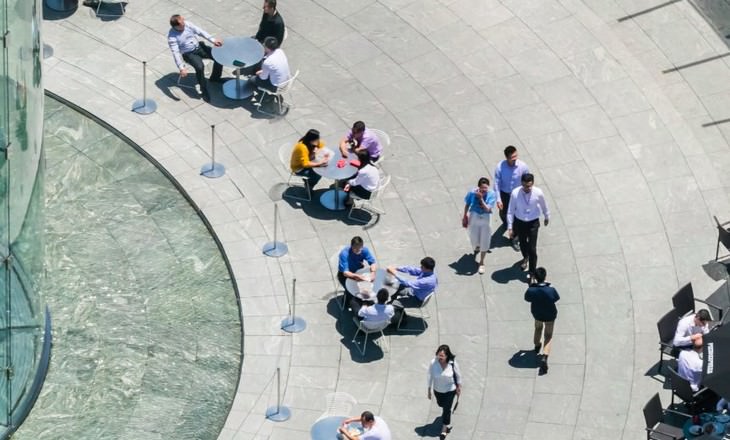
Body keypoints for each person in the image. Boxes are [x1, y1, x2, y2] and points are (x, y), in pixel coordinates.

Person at [167, 14, 224, 103]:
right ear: (176, 26)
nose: (184, 23)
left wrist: (213, 40)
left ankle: (215, 78)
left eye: (183, 21)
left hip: (199, 47)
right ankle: (203, 89)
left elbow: (200, 31)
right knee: (199, 67)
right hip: (189, 53)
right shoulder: (172, 37)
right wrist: (181, 68)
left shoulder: (187, 24)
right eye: (182, 23)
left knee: (219, 57)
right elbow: (176, 53)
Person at [506, 173, 549, 283]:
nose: (527, 188)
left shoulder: (538, 192)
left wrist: (546, 216)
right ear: (521, 183)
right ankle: (525, 257)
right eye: (525, 186)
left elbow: (544, 205)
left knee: (532, 248)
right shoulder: (515, 193)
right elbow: (510, 210)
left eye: (529, 186)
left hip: (533, 222)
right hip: (520, 222)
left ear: (533, 183)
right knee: (523, 244)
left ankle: (532, 272)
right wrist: (510, 227)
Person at [524, 267, 560, 375]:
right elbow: (556, 298)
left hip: (537, 314)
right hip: (550, 315)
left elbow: (527, 298)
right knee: (548, 335)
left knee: (538, 328)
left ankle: (536, 345)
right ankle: (544, 356)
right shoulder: (551, 289)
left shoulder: (531, 290)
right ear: (545, 277)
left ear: (535, 277)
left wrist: (531, 285)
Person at [494, 145, 530, 250]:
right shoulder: (500, 167)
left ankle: (514, 238)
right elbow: (496, 183)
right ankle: (506, 223)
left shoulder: (523, 166)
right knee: (503, 213)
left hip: (517, 195)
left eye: (516, 156)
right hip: (505, 194)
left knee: (517, 217)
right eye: (512, 157)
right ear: (507, 158)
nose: (515, 159)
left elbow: (527, 180)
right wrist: (498, 199)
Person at [462, 177, 497, 274]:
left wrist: (481, 199)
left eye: (486, 188)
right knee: (474, 237)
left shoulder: (492, 194)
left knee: (485, 240)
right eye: (482, 188)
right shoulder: (472, 193)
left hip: (485, 217)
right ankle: (477, 246)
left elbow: (488, 209)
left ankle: (481, 262)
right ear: (478, 187)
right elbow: (467, 204)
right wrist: (465, 215)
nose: (484, 190)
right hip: (474, 216)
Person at [427, 344, 462, 440]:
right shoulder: (433, 363)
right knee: (440, 404)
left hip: (450, 390)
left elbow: (458, 376)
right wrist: (429, 389)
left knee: (447, 409)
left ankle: (444, 429)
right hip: (438, 390)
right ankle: (444, 413)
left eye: (442, 356)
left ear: (447, 356)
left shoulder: (452, 363)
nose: (440, 357)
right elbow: (430, 376)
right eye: (439, 355)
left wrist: (459, 387)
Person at [387, 257, 438, 323]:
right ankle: (397, 307)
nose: (420, 267)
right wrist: (397, 268)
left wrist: (394, 273)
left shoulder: (428, 280)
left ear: (427, 269)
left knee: (393, 304)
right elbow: (412, 270)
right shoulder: (428, 271)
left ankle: (400, 318)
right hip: (414, 292)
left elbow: (407, 283)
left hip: (417, 300)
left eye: (422, 267)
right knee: (395, 286)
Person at [338, 236, 377, 307]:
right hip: (345, 275)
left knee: (366, 288)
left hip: (358, 271)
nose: (358, 251)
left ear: (362, 246)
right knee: (351, 292)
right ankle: (347, 302)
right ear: (351, 246)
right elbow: (345, 273)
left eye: (360, 249)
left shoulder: (364, 250)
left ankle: (365, 303)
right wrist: (360, 277)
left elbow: (372, 262)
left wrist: (373, 273)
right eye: (355, 249)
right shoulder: (344, 254)